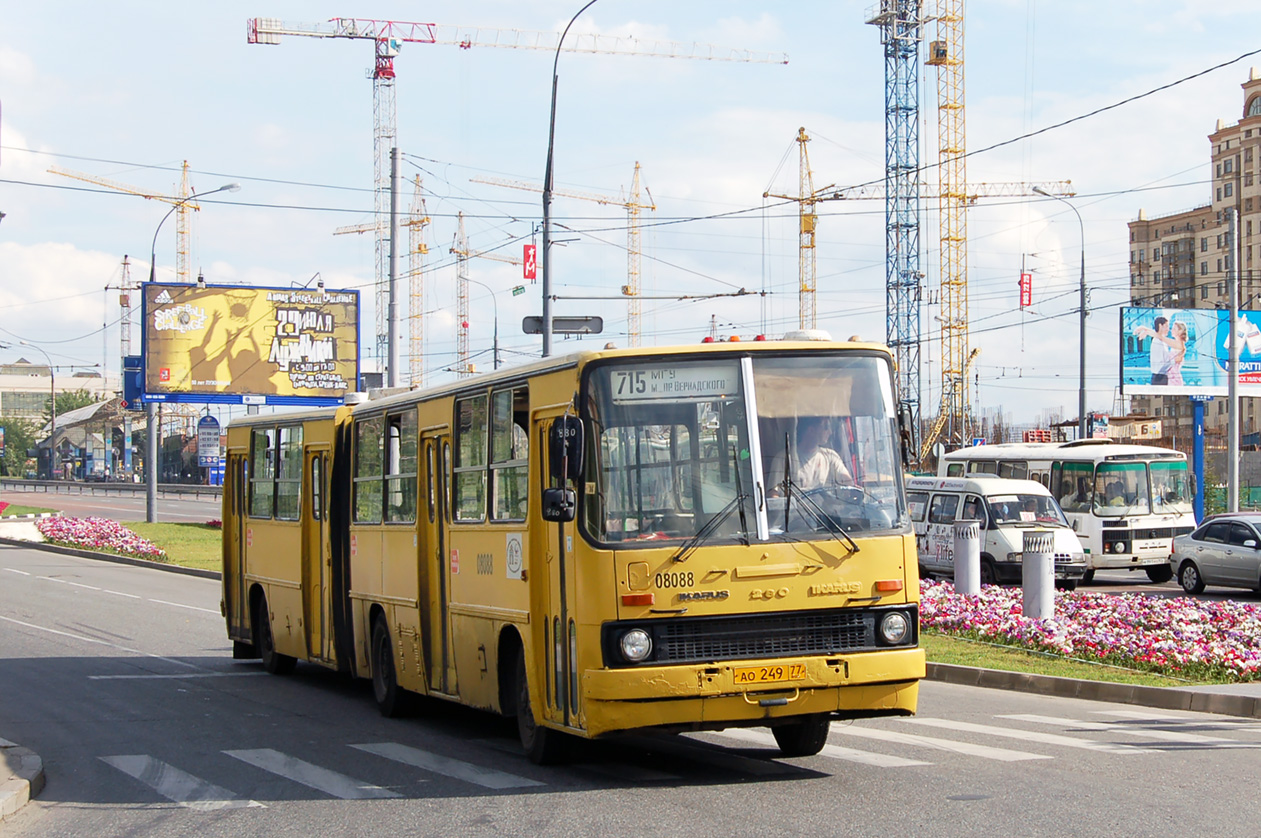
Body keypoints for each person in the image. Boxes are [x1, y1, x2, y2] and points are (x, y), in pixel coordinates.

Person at [769, 416, 852, 493]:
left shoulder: (831, 456)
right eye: (826, 427)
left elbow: (848, 483)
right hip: (797, 509)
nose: (830, 432)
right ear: (811, 430)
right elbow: (773, 494)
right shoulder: (784, 459)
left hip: (825, 509)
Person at [1134, 317, 1174, 385]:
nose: (1168, 329)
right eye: (1166, 326)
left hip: (1162, 376)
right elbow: (1160, 363)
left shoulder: (1162, 341)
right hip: (1159, 378)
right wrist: (1172, 363)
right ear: (1160, 326)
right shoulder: (1157, 342)